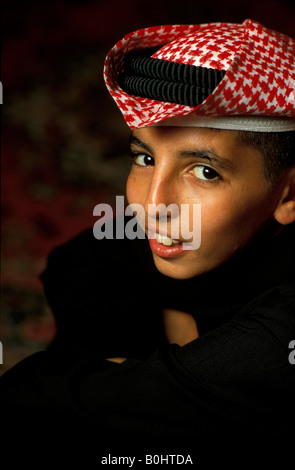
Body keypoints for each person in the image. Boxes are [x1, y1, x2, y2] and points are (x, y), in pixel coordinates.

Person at [1, 19, 295, 465]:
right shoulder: (197, 228)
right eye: (144, 157)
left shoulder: (277, 338)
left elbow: (30, 403)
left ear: (290, 193)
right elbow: (80, 261)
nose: (152, 205)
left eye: (205, 171)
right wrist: (146, 361)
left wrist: (141, 385)